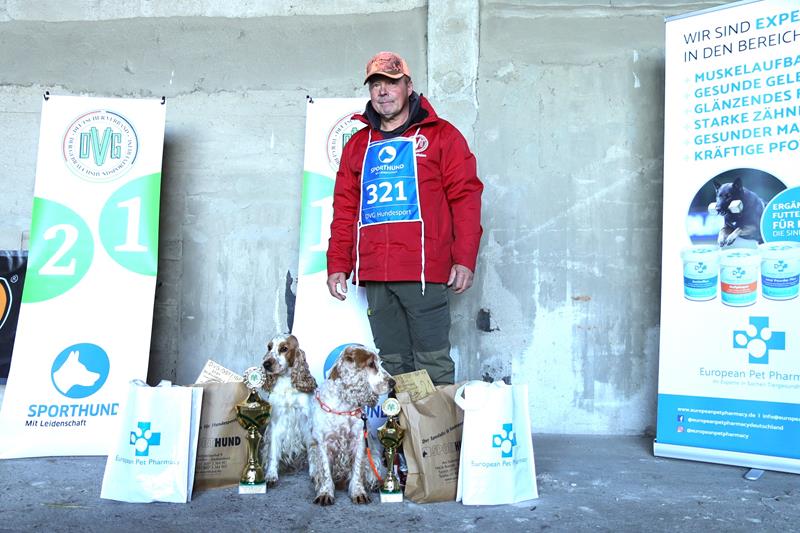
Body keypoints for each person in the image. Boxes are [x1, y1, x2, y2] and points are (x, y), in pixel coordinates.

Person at [326, 51, 483, 385]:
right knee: (393, 366)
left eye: (392, 82)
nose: (383, 90)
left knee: (432, 363)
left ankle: (436, 438)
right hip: (376, 276)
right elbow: (345, 209)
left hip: (423, 271)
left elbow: (465, 198)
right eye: (376, 84)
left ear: (408, 86)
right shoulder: (357, 145)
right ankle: (403, 437)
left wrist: (464, 259)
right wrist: (338, 262)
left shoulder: (442, 135)